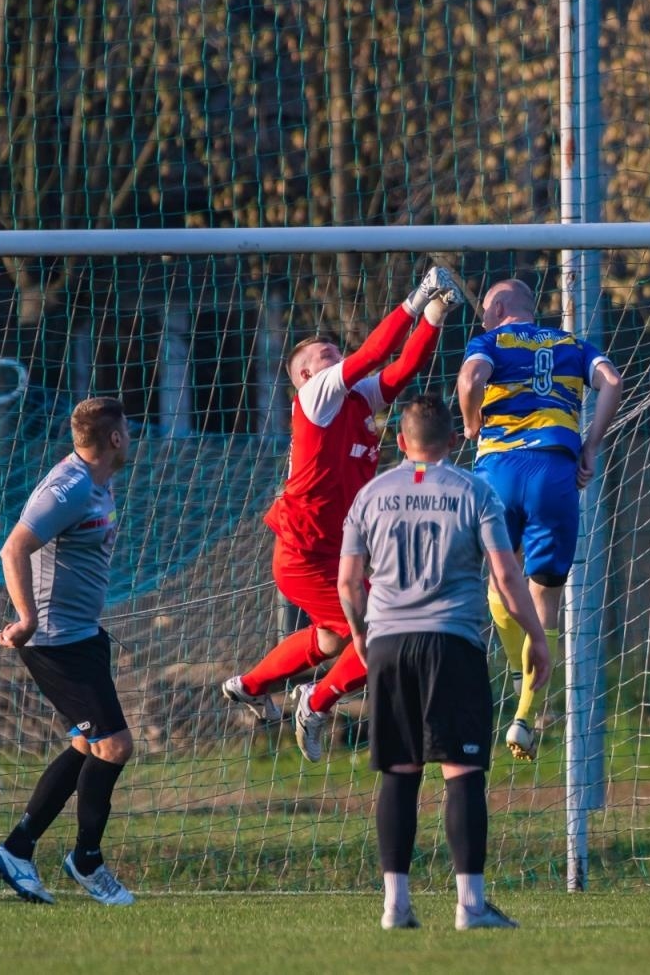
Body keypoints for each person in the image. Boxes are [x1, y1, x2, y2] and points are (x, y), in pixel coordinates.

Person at [222, 265, 467, 763]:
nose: (332, 352)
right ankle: (315, 702)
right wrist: (419, 297)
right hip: (306, 554)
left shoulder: (354, 398)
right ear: (306, 376)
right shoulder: (316, 397)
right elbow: (376, 353)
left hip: (334, 552)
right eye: (321, 354)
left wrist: (436, 318)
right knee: (385, 628)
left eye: (334, 349)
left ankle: (249, 684)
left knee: (332, 638)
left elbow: (400, 371)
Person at [337, 395, 551, 930]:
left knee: (400, 772)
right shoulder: (474, 491)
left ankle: (395, 906)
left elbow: (347, 583)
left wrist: (362, 636)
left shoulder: (369, 494)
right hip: (450, 642)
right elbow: (505, 577)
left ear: (401, 442)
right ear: (454, 442)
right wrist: (537, 636)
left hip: (388, 643)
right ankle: (470, 907)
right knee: (462, 772)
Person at [456, 278, 623, 760]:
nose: (481, 317)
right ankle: (526, 716)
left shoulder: (491, 340)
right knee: (545, 592)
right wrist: (590, 445)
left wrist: (471, 423)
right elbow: (612, 381)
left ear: (502, 306)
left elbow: (470, 381)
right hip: (555, 469)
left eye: (485, 308)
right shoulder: (573, 344)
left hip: (500, 469)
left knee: (500, 576)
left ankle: (517, 665)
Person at [0, 397, 137, 906]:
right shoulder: (69, 487)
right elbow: (14, 548)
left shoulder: (98, 479)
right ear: (114, 438)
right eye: (128, 430)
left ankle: (17, 848)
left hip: (82, 635)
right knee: (115, 746)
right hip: (55, 641)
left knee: (85, 746)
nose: (132, 437)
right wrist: (26, 619)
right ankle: (87, 860)